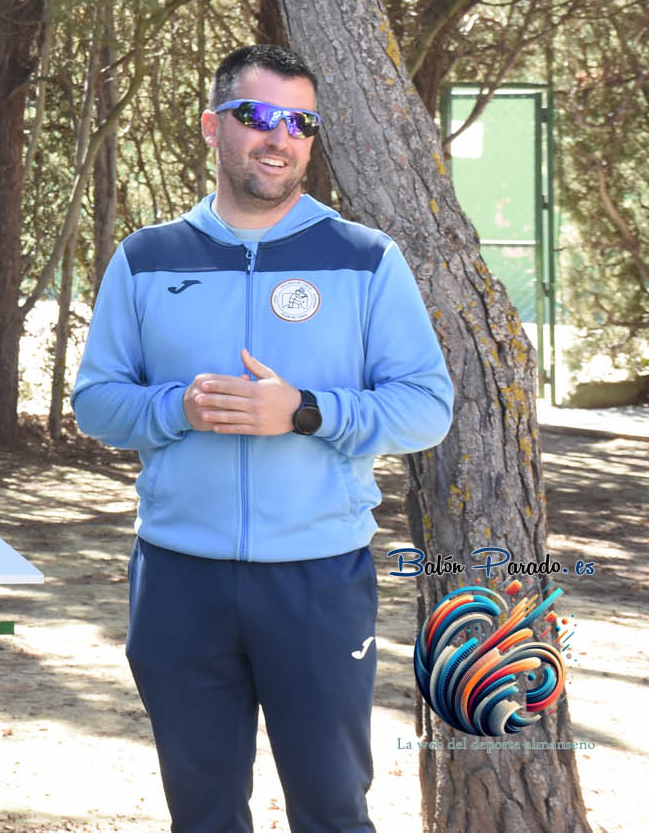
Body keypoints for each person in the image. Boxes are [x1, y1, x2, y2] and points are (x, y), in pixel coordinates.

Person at [72, 43, 453, 833]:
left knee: (332, 809)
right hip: (179, 578)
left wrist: (304, 411)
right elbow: (96, 403)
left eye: (300, 122)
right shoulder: (146, 259)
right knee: (202, 815)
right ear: (212, 126)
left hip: (317, 577)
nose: (279, 137)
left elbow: (425, 406)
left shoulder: (364, 258)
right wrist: (179, 406)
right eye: (257, 115)